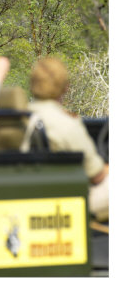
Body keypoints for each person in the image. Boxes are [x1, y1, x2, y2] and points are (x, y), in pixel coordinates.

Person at [20, 57, 108, 218]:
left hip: (23, 196)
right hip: (61, 203)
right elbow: (97, 175)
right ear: (65, 87)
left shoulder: (16, 119)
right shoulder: (66, 124)